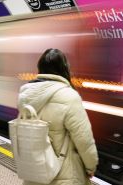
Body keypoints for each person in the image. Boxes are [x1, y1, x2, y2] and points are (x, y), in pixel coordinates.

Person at [17, 48, 98, 185]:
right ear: (64, 69)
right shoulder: (69, 96)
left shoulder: (25, 94)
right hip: (63, 174)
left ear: (40, 68)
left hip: (35, 172)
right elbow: (84, 138)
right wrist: (91, 166)